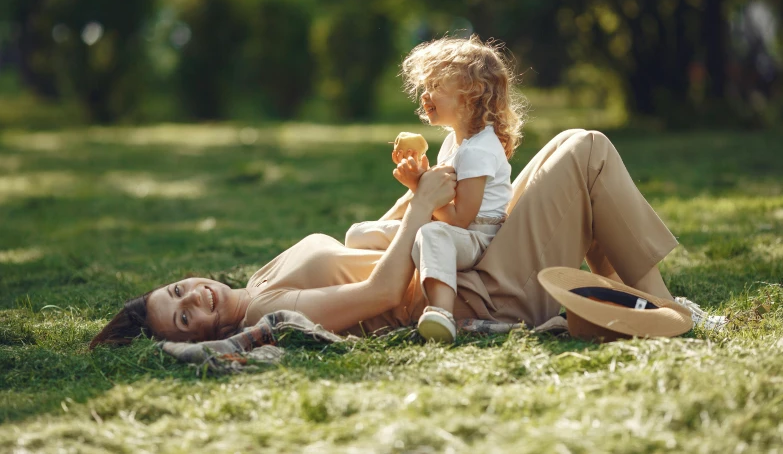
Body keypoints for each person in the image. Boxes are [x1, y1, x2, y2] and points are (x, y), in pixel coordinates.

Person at [89, 129, 725, 350]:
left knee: (568, 150)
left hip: (465, 257)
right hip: (479, 293)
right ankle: (667, 310)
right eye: (184, 319)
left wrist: (413, 192)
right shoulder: (269, 312)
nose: (195, 300)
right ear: (197, 335)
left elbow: (374, 242)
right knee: (585, 151)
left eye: (179, 292)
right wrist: (424, 207)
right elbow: (385, 286)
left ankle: (640, 308)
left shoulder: (259, 277)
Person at [345, 35, 524, 343]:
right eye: (425, 87)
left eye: (437, 87)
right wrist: (421, 181)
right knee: (358, 234)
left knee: (430, 234)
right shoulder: (456, 141)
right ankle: (380, 284)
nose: (425, 95)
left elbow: (459, 220)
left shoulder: (478, 150)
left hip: (478, 239)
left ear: (472, 94)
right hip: (451, 230)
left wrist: (420, 183)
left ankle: (441, 313)